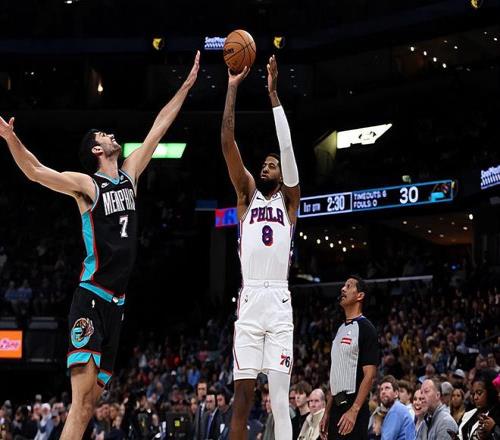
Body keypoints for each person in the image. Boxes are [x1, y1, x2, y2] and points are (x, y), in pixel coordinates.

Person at [0, 51, 200, 440]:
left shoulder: (130, 176)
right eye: (104, 135)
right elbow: (37, 172)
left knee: (91, 403)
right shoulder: (88, 186)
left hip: (117, 306)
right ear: (96, 150)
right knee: (80, 404)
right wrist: (12, 139)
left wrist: (187, 85)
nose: (112, 136)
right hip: (91, 296)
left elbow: (159, 127)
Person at [221, 54, 300, 440]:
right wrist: (232, 88)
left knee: (280, 399)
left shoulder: (289, 202)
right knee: (242, 397)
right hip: (251, 298)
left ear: (283, 174)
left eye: (273, 164)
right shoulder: (246, 195)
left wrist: (273, 96)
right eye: (264, 164)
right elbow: (227, 143)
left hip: (279, 301)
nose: (267, 166)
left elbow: (288, 150)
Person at [320, 276, 378, 440]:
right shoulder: (339, 329)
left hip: (353, 408)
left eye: (349, 286)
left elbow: (370, 375)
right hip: (336, 408)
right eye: (344, 285)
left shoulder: (366, 328)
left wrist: (354, 410)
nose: (343, 289)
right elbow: (335, 375)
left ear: (360, 295)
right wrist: (327, 412)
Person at [457, 371, 500, 440]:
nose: (475, 397)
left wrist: (493, 429)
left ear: (490, 392)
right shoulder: (469, 414)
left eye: (479, 393)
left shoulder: (496, 415)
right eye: (473, 394)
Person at [379, 375, 416, 440]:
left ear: (396, 394)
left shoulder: (396, 410)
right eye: (381, 389)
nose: (383, 392)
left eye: (387, 388)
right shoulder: (397, 408)